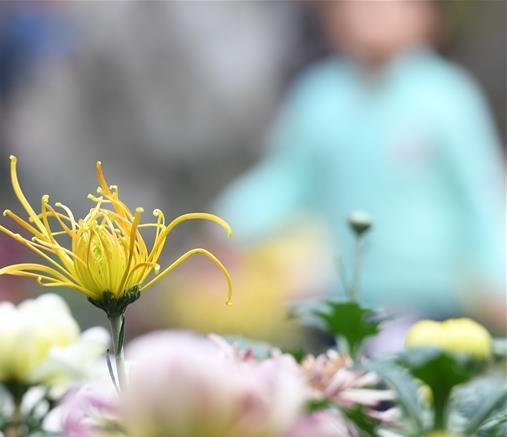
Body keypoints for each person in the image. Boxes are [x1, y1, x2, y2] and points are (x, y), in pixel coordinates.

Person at [215, 0, 505, 323]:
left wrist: (498, 276)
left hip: (431, 297)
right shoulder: (320, 97)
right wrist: (228, 226)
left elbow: (480, 194)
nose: (370, 14)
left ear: (425, 16)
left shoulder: (446, 98)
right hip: (342, 298)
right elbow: (286, 180)